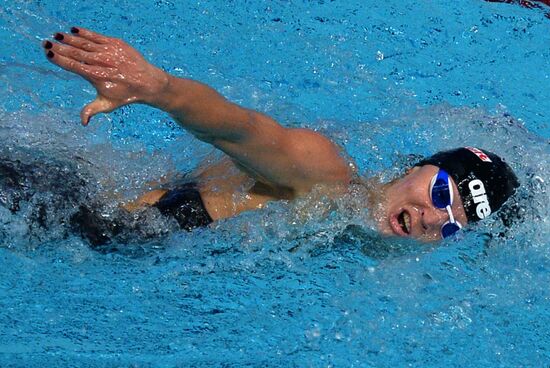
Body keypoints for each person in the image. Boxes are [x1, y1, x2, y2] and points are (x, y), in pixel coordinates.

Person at [40, 27, 519, 245]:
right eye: (440, 193)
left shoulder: (357, 234)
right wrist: (160, 89)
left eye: (452, 225)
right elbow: (240, 127)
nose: (432, 218)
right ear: (416, 167)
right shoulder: (325, 175)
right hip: (63, 215)